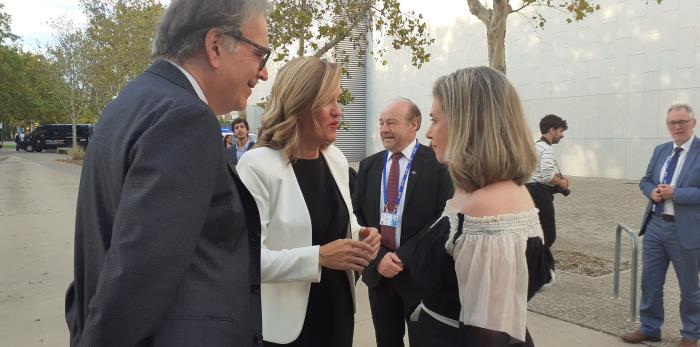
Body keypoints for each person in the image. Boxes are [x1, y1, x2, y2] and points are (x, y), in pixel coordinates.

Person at [64, 1, 270, 346]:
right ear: (215, 45)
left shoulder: (128, 103)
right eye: (260, 55)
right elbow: (138, 275)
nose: (264, 72)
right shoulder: (185, 118)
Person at [236, 56, 381, 347]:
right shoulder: (256, 166)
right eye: (328, 101)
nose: (338, 112)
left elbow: (344, 222)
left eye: (338, 100)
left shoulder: (335, 158)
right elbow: (244, 260)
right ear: (298, 104)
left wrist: (361, 235)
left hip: (338, 312)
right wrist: (319, 257)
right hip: (284, 329)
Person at [405, 66, 553, 346]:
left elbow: (489, 336)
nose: (428, 133)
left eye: (435, 120)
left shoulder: (488, 208)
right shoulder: (476, 191)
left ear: (467, 125)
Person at [351, 98, 452, 347]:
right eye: (382, 123)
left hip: (419, 274)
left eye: (392, 123)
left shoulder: (438, 164)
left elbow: (442, 217)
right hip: (379, 276)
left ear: (414, 124)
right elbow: (357, 215)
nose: (384, 129)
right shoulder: (369, 166)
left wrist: (402, 256)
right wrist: (379, 256)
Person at [622, 104, 700, 347]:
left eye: (682, 122)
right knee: (651, 282)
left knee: (689, 287)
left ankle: (691, 334)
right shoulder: (661, 150)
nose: (677, 127)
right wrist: (652, 193)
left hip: (685, 230)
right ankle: (650, 327)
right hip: (655, 225)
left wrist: (676, 194)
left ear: (693, 123)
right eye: (672, 123)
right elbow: (646, 180)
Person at [525, 114, 569, 248]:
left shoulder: (534, 146)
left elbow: (535, 172)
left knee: (532, 232)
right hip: (541, 194)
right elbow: (546, 176)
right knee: (549, 235)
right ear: (551, 130)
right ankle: (540, 263)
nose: (562, 135)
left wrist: (554, 176)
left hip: (527, 191)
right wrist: (562, 183)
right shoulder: (547, 149)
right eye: (561, 131)